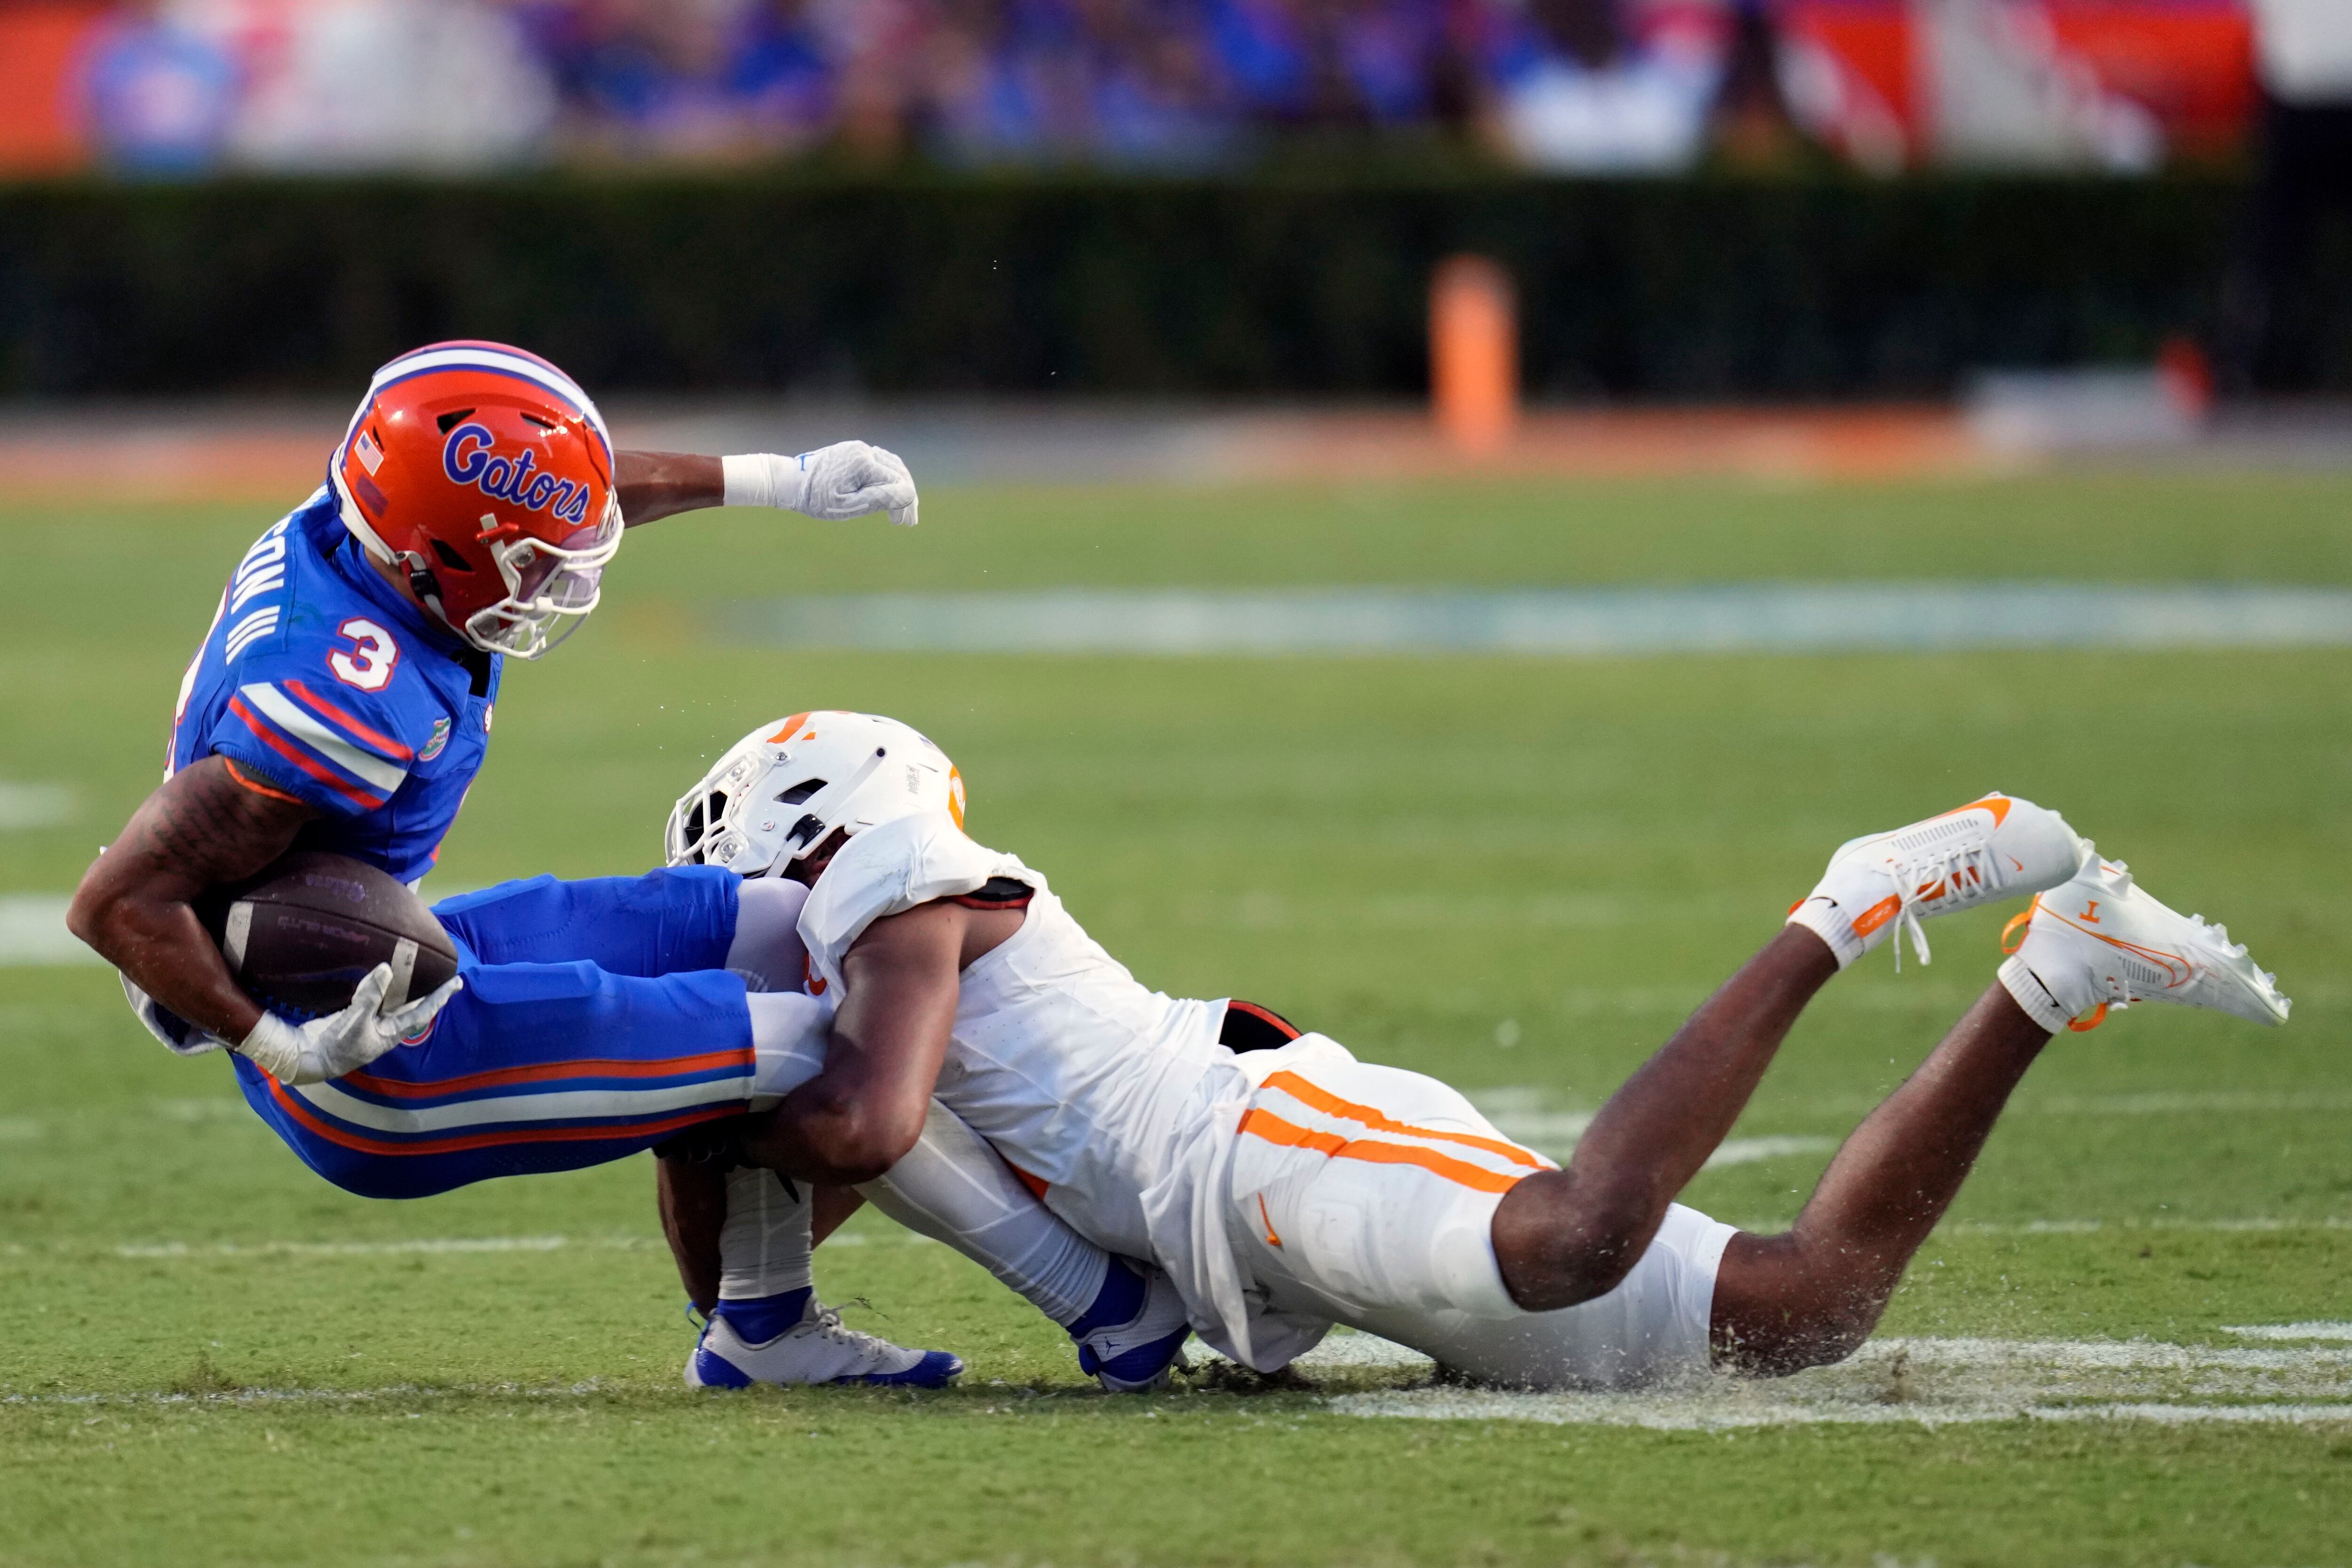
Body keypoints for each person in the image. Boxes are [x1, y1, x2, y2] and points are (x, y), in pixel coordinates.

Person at [65, 342, 1189, 1392]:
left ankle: (763, 1328)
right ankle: (1108, 1306)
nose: (561, 574)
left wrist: (780, 479)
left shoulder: (369, 518)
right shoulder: (338, 701)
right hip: (370, 1066)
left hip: (397, 955)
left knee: (796, 924)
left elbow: (568, 496)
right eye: (529, 561)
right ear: (434, 551)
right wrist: (271, 1037)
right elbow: (118, 901)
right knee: (833, 1041)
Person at [670, 709, 2290, 1387]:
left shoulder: (904, 885)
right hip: (1215, 1228)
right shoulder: (849, 975)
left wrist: (665, 1062)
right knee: (1804, 1316)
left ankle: (1850, 898)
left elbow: (864, 1130)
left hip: (1250, 1139)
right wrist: (700, 1117)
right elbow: (795, 1183)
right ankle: (2058, 977)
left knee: (1581, 1236)